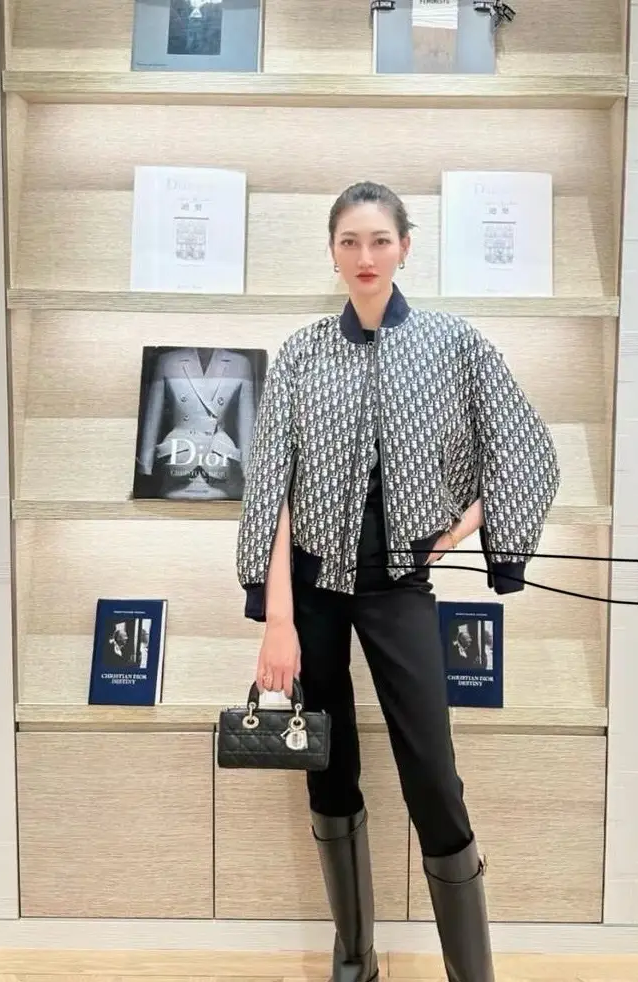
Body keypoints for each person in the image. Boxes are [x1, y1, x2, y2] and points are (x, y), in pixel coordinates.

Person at [235, 181, 560, 982]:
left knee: (433, 779)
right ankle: (355, 960)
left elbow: (525, 448)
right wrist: (278, 620)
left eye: (380, 240)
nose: (365, 256)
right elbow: (271, 488)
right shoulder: (302, 353)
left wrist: (467, 526)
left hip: (399, 587)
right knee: (328, 768)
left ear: (405, 247)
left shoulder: (454, 344)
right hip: (311, 589)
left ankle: (471, 975)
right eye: (350, 241)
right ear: (333, 252)